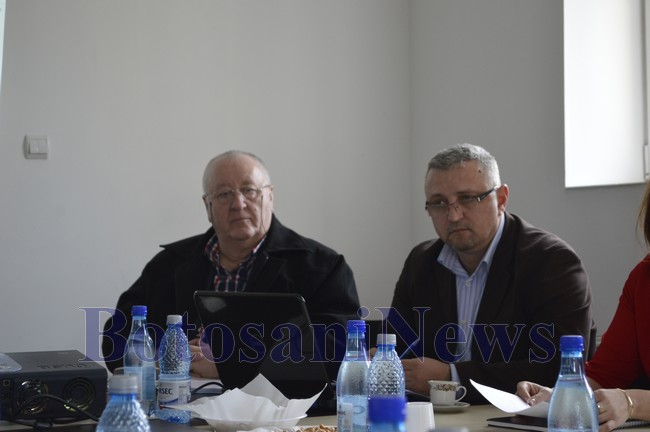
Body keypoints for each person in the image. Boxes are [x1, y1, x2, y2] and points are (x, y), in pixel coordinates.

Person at [102, 150, 360, 378]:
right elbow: (117, 337)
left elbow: (338, 348)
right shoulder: (169, 264)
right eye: (224, 194)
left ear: (270, 196)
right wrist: (163, 359)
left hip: (277, 410)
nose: (238, 204)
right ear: (208, 206)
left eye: (249, 190)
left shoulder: (322, 267)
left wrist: (231, 365)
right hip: (178, 403)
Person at [386, 143, 593, 404]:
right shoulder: (421, 262)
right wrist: (384, 361)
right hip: (431, 416)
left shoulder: (551, 262)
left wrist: (451, 377)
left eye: (467, 198)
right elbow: (398, 349)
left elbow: (559, 370)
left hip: (514, 417)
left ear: (501, 199)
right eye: (439, 203)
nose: (453, 215)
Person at [517, 180, 650, 432]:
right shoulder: (643, 279)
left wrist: (633, 402)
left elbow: (625, 399)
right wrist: (560, 395)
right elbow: (607, 374)